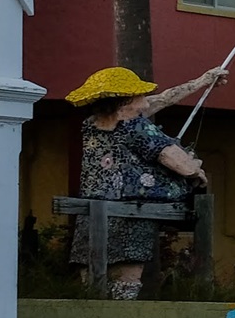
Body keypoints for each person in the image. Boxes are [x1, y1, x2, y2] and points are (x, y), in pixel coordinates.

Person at [63, 66, 225, 296]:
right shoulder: (137, 127)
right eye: (139, 95)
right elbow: (172, 157)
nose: (145, 100)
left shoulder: (91, 125)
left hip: (91, 213)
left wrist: (201, 82)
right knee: (126, 284)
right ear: (126, 101)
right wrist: (195, 169)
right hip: (131, 213)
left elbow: (162, 99)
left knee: (91, 283)